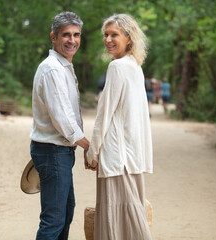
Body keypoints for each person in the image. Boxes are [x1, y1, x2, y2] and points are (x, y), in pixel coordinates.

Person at [85, 14, 153, 240]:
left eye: (114, 34)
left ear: (129, 37)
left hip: (116, 155)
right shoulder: (135, 66)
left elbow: (104, 116)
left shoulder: (117, 67)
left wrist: (92, 152)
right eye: (105, 35)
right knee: (133, 212)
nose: (108, 39)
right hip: (131, 155)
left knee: (117, 217)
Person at [29, 11, 89, 240]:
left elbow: (69, 116)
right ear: (53, 37)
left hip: (60, 151)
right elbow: (62, 119)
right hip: (52, 151)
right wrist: (87, 146)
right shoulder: (53, 68)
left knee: (65, 212)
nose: (72, 40)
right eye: (66, 35)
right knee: (53, 220)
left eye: (76, 35)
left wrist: (79, 145)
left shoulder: (64, 66)